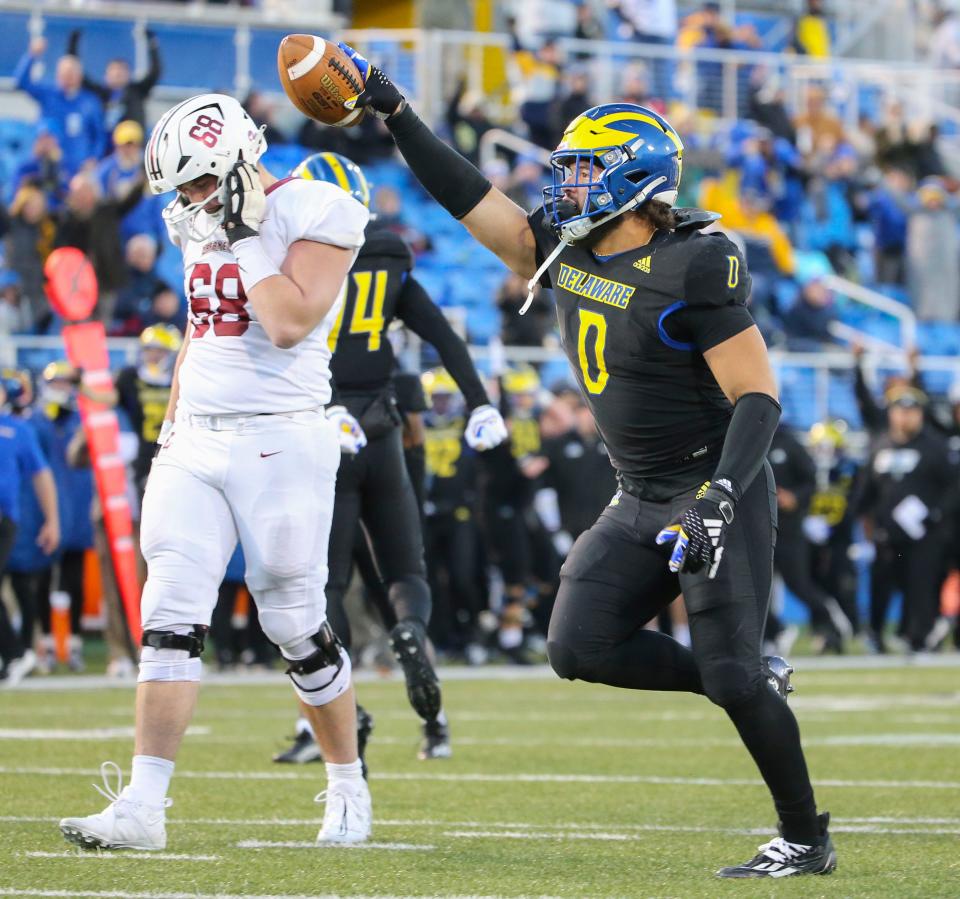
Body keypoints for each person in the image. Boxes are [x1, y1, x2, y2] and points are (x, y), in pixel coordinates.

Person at [338, 48, 836, 875]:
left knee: (734, 678)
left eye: (583, 171)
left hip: (712, 488)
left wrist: (720, 494)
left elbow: (758, 395)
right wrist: (396, 114)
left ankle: (805, 835)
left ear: (633, 179)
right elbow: (469, 197)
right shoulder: (564, 252)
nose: (564, 185)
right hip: (637, 492)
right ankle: (742, 673)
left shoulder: (695, 263)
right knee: (577, 645)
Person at [58, 93, 372, 849]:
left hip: (281, 437)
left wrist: (241, 232)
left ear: (236, 162)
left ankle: (346, 785)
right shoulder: (200, 219)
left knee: (294, 623)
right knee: (167, 613)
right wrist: (172, 424)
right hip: (196, 436)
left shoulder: (319, 209)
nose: (190, 201)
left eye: (199, 184)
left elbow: (289, 319)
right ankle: (142, 805)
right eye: (184, 189)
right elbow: (206, 329)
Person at [273, 152, 507, 763]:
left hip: (319, 431)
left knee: (322, 585)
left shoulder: (289, 258)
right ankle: (418, 669)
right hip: (381, 431)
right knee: (405, 575)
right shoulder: (388, 253)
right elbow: (442, 335)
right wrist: (481, 401)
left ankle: (335, 711)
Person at [858, 387, 956, 652]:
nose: (905, 417)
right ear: (891, 414)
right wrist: (863, 518)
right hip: (886, 534)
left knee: (920, 587)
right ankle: (876, 635)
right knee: (881, 588)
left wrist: (936, 514)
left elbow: (953, 486)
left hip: (924, 535)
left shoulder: (935, 446)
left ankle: (919, 637)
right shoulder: (880, 445)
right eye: (900, 411)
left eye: (911, 412)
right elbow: (866, 489)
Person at [0, 373, 60, 684]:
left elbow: (42, 475)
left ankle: (16, 652)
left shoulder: (16, 430)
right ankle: (13, 653)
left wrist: (52, 520)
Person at [14, 38, 106, 175]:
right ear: (57, 75)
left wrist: (94, 158)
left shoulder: (90, 102)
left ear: (79, 76)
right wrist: (32, 55)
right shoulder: (48, 94)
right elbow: (21, 82)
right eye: (64, 74)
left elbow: (99, 135)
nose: (67, 79)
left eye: (71, 74)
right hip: (48, 165)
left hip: (78, 170)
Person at [67, 28, 162, 132]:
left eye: (122, 70)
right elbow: (76, 72)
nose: (117, 73)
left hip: (131, 144)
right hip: (105, 146)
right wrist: (73, 43)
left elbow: (155, 72)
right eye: (114, 70)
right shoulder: (100, 93)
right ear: (106, 75)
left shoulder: (136, 91)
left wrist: (152, 43)